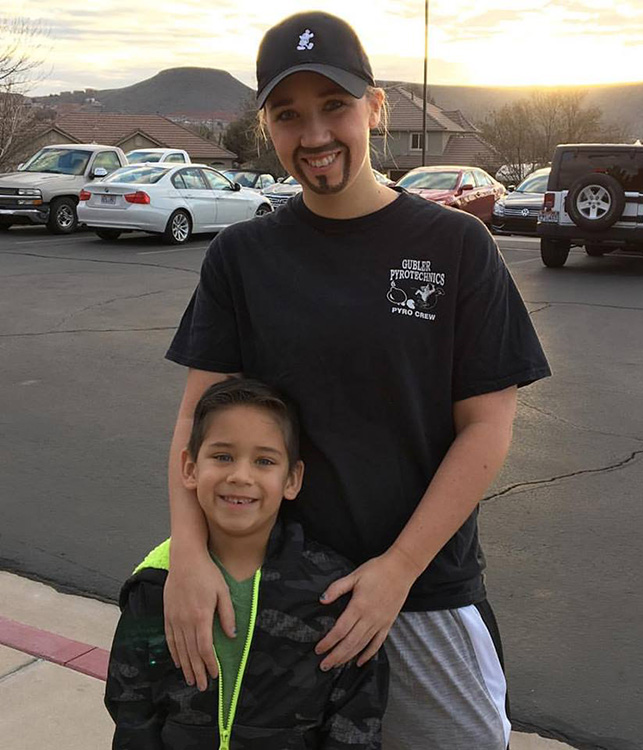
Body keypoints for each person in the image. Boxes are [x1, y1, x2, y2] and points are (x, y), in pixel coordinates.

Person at [163, 10, 551, 749]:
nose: (313, 136)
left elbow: (487, 427)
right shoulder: (241, 259)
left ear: (376, 108)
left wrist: (398, 571)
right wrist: (189, 555)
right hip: (279, 591)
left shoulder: (456, 246)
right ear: (266, 125)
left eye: (334, 107)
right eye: (288, 115)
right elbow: (195, 422)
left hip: (421, 593)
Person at [105, 378, 388, 749]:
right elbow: (132, 708)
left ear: (292, 480)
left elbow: (357, 719)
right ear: (189, 468)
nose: (240, 475)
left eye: (264, 461)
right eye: (222, 456)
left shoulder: (330, 593)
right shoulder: (157, 585)